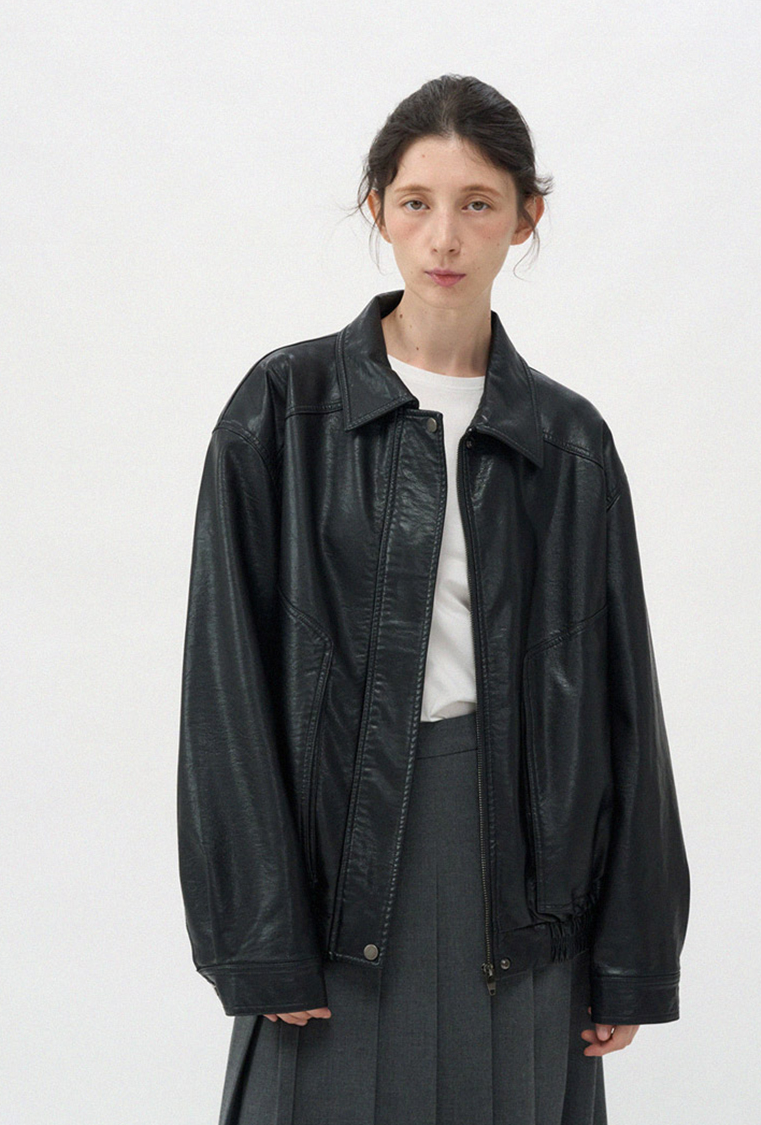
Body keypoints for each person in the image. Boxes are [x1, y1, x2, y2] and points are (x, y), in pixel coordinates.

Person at [177, 74, 690, 1125]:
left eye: (478, 203)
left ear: (525, 218)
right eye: (416, 202)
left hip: (523, 883)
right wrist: (260, 935)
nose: (444, 236)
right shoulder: (284, 410)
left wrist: (632, 952)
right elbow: (224, 686)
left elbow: (623, 703)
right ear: (379, 209)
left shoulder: (569, 442)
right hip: (335, 871)